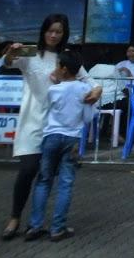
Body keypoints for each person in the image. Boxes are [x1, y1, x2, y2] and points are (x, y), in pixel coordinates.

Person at [0, 14, 101, 242]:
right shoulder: (30, 54)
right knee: (27, 170)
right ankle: (15, 217)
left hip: (56, 127)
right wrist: (10, 53)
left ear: (64, 35)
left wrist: (96, 92)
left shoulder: (66, 58)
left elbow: (91, 82)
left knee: (47, 177)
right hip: (32, 122)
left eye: (59, 32)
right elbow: (7, 63)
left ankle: (37, 224)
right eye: (50, 30)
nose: (54, 35)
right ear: (43, 31)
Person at [24, 50, 98, 243]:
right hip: (72, 138)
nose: (55, 69)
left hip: (51, 137)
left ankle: (35, 225)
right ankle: (58, 228)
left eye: (57, 66)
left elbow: (47, 110)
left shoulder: (53, 90)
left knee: (43, 180)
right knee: (65, 183)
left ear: (64, 69)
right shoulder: (84, 89)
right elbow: (89, 117)